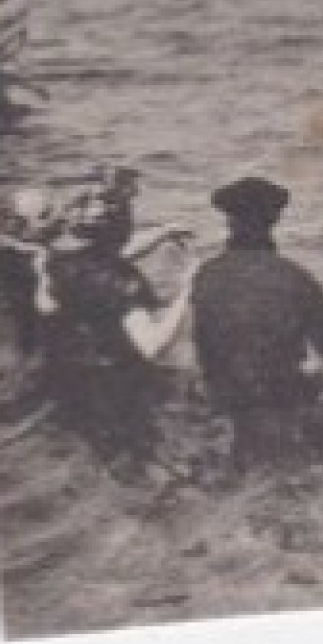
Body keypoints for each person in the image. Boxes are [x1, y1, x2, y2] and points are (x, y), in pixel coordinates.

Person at [191, 176, 323, 467]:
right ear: (275, 220)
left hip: (223, 406)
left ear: (229, 222)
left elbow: (202, 348)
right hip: (282, 409)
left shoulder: (205, 276)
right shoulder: (293, 277)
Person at [41, 191, 197, 472]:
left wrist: (162, 232)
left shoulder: (58, 260)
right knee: (143, 457)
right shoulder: (121, 283)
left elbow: (113, 253)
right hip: (117, 384)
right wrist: (187, 292)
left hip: (74, 377)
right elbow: (152, 345)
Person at [0, 187, 66, 353]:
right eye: (45, 215)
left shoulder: (40, 253)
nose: (58, 220)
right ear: (18, 224)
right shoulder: (4, 264)